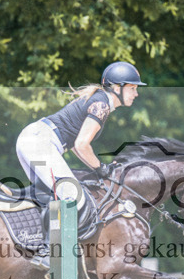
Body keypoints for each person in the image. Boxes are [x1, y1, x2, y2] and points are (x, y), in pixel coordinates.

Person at [15, 61, 144, 264]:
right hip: (39, 142)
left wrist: (96, 168)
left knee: (48, 193)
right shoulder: (101, 105)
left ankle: (28, 237)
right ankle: (48, 252)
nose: (136, 94)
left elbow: (76, 145)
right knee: (73, 195)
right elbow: (82, 144)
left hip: (33, 138)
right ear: (117, 88)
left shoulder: (100, 102)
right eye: (132, 88)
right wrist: (100, 168)